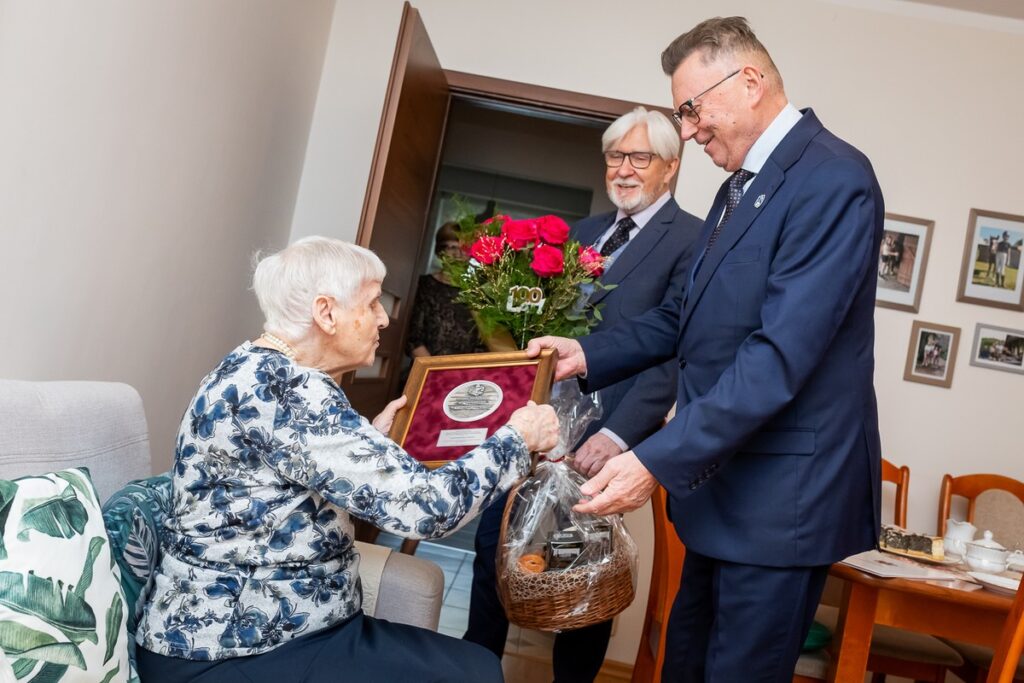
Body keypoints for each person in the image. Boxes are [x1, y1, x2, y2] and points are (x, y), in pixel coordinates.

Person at [528, 17, 883, 682]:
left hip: (783, 502)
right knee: (684, 664)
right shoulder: (735, 190)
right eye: (681, 113)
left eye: (692, 109)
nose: (687, 130)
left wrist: (653, 460)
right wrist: (587, 352)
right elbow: (681, 317)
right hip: (726, 489)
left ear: (749, 81)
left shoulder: (835, 178)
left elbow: (779, 356)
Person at [134, 237, 559, 683]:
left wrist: (371, 440)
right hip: (237, 647)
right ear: (327, 313)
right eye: (373, 302)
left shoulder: (255, 367)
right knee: (478, 673)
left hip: (269, 629)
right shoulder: (293, 391)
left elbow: (283, 477)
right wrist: (517, 438)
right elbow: (428, 509)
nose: (385, 317)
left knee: (474, 667)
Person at [463, 107, 703, 683]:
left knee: (584, 576)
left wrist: (618, 439)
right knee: (494, 553)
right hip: (538, 431)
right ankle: (472, 670)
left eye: (638, 157)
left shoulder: (694, 241)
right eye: (615, 156)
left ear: (669, 168)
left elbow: (673, 349)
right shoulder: (579, 233)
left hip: (610, 439)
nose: (622, 169)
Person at [407, 221, 488, 360]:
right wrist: (434, 373)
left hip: (465, 374)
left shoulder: (478, 291)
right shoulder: (425, 285)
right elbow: (413, 339)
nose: (458, 254)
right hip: (427, 369)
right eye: (452, 247)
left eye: (464, 248)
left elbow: (483, 342)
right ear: (440, 251)